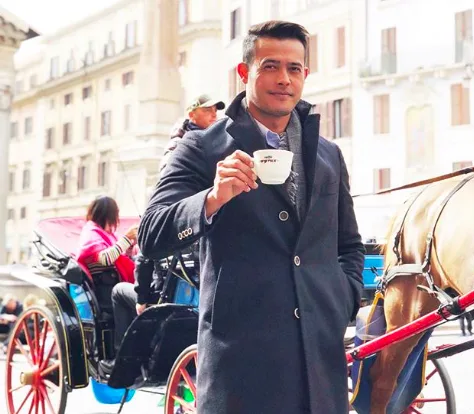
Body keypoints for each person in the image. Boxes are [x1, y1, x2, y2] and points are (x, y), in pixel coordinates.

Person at [139, 20, 364, 414]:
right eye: (270, 66)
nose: (284, 79)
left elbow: (348, 244)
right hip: (240, 373)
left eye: (294, 68)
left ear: (305, 74)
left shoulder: (329, 154)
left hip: (320, 370)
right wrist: (212, 198)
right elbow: (152, 232)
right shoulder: (201, 147)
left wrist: (341, 299)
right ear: (244, 72)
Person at [99, 95, 226, 377]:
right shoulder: (193, 149)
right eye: (208, 110)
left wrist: (142, 297)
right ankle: (122, 355)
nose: (214, 115)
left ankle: (120, 357)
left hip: (176, 262)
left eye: (215, 111)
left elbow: (144, 253)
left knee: (119, 292)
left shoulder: (197, 146)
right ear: (192, 114)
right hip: (183, 242)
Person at [76, 196, 138, 312]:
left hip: (112, 286)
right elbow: (105, 259)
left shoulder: (107, 234)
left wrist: (129, 246)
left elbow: (120, 259)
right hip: (104, 291)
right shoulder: (91, 232)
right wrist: (126, 238)